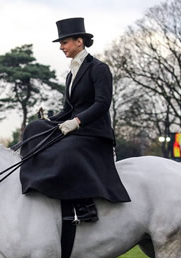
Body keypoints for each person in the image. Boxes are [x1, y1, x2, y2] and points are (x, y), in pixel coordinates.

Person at [19, 17, 130, 223]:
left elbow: (102, 103)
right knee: (35, 128)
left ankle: (85, 206)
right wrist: (49, 120)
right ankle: (36, 185)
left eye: (64, 42)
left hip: (95, 133)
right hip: (77, 129)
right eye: (61, 44)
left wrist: (77, 121)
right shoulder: (71, 74)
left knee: (65, 152)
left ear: (79, 41)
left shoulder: (99, 68)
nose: (61, 47)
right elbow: (68, 110)